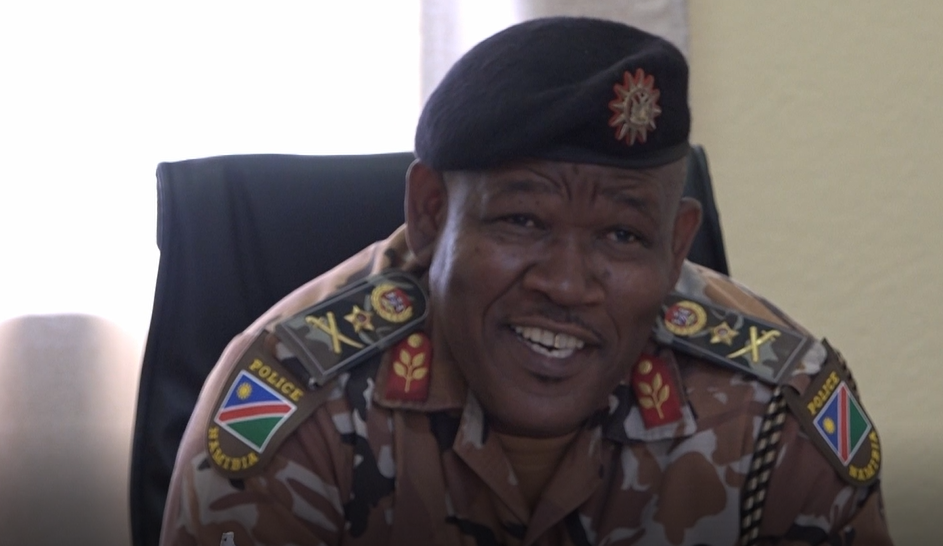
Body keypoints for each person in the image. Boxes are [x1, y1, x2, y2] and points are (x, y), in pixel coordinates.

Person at [160, 16, 893, 546]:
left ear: (676, 247)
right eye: (522, 221)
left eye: (622, 235)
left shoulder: (777, 411)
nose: (568, 285)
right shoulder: (296, 408)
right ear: (430, 214)